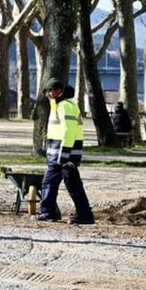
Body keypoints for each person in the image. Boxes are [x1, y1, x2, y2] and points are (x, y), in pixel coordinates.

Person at [36, 78, 94, 225]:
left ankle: (48, 213)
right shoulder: (64, 104)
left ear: (59, 91)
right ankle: (84, 214)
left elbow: (69, 130)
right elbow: (64, 128)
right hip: (64, 152)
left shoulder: (64, 106)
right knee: (70, 183)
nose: (48, 94)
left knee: (52, 182)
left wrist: (64, 154)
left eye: (50, 91)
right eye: (47, 91)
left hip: (63, 153)